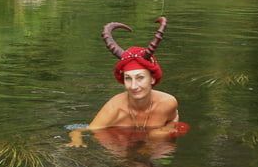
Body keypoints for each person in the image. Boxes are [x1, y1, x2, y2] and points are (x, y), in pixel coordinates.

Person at [68, 17, 182, 147]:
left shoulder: (168, 102)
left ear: (153, 79)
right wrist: (76, 139)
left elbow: (174, 117)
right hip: (122, 145)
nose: (133, 86)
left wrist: (165, 130)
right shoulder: (115, 108)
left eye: (140, 77)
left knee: (157, 137)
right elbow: (80, 130)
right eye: (128, 78)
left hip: (153, 150)